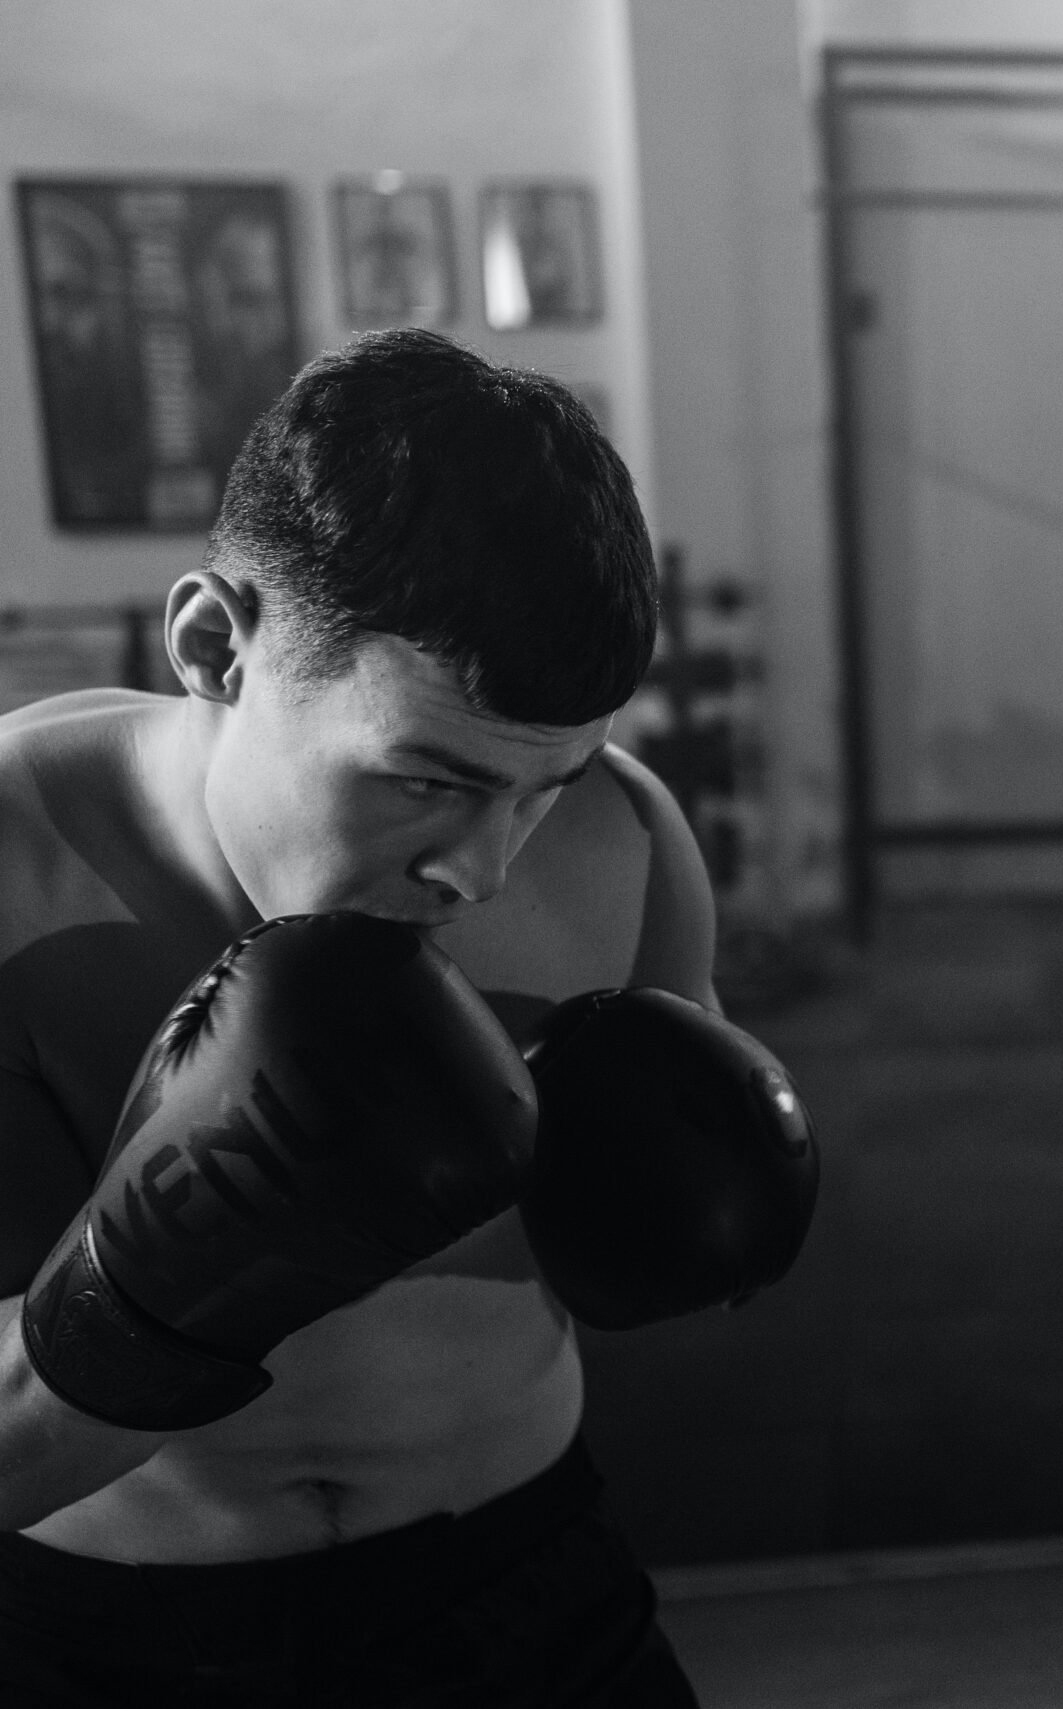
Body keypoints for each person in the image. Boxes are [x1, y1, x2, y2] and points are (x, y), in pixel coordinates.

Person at [0, 326, 813, 1706]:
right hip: (115, 1642)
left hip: (525, 1592)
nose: (484, 866)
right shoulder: (16, 893)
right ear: (215, 645)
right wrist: (144, 1290)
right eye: (426, 779)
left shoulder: (620, 838)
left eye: (541, 783)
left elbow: (642, 1247)